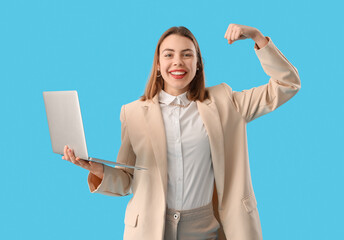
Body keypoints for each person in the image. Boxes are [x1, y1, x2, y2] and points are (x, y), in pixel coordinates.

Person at [62, 23, 301, 240]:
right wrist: (97, 169)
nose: (178, 62)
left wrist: (256, 37)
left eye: (187, 55)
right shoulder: (132, 113)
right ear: (158, 65)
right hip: (150, 230)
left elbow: (287, 84)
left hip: (205, 229)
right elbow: (127, 180)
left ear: (197, 65)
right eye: (169, 55)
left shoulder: (226, 102)